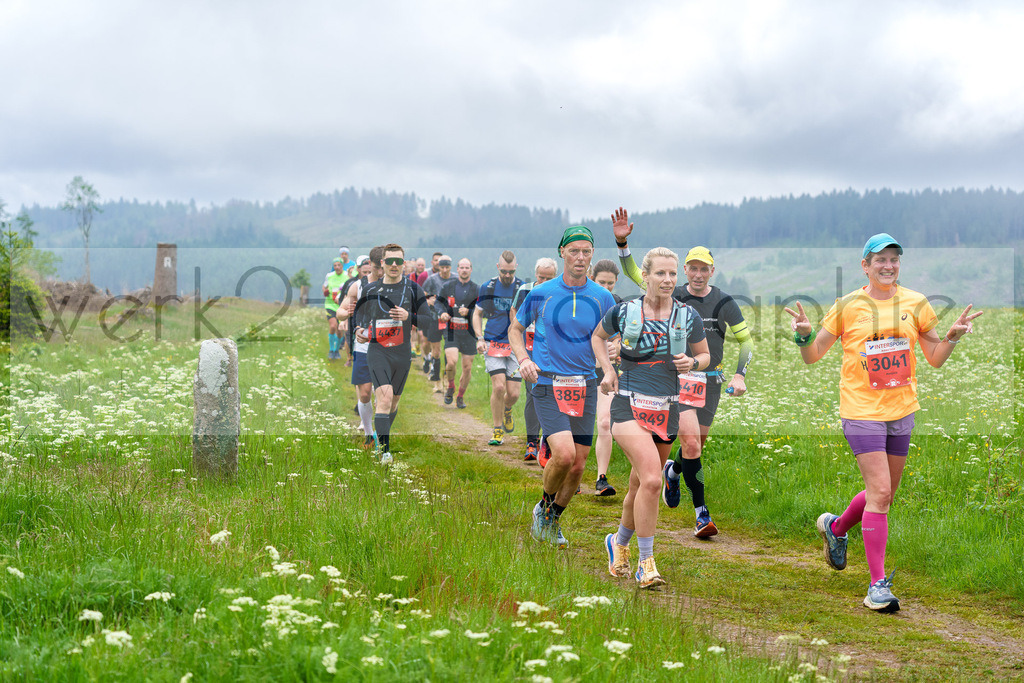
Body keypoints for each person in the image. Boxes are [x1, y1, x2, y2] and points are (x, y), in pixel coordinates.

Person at [785, 233, 982, 613]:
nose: (888, 266)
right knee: (879, 493)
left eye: (894, 259)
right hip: (861, 410)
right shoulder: (847, 306)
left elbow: (935, 357)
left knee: (884, 493)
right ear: (865, 265)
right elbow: (812, 356)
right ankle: (877, 585)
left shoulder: (916, 303)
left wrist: (952, 338)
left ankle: (836, 528)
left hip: (902, 409)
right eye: (880, 260)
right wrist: (803, 335)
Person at [613, 207, 754, 536]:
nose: (697, 273)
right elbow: (636, 272)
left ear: (712, 270)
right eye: (692, 267)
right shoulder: (670, 291)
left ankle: (673, 471)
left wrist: (740, 374)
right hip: (675, 382)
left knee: (694, 448)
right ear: (685, 269)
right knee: (690, 442)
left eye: (703, 268)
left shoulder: (724, 302)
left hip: (709, 380)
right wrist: (623, 243)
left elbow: (746, 341)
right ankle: (702, 513)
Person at [593, 247, 709, 588]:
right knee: (653, 481)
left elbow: (704, 354)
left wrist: (694, 363)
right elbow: (598, 338)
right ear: (645, 276)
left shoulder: (688, 316)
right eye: (660, 273)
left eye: (673, 274)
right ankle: (647, 563)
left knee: (638, 484)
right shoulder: (625, 311)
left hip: (667, 408)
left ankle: (619, 543)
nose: (668, 279)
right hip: (627, 405)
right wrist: (608, 370)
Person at [509, 226, 616, 548]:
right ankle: (543, 507)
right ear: (562, 253)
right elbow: (515, 329)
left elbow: (613, 335)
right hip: (547, 382)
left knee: (579, 464)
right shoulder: (542, 293)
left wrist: (614, 352)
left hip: (585, 384)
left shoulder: (603, 297)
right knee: (565, 455)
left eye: (586, 251)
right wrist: (524, 359)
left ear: (592, 255)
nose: (580, 257)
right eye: (574, 251)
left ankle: (553, 518)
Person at [354, 243, 433, 465]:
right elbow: (358, 321)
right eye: (390, 261)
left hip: (401, 353)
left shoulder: (413, 289)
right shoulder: (371, 290)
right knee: (384, 398)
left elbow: (428, 319)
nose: (394, 265)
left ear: (404, 263)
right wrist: (359, 332)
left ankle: (381, 437)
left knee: (394, 403)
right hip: (378, 351)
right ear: (382, 263)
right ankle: (384, 452)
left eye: (399, 261)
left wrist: (408, 316)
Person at [473, 251, 526, 445]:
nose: (507, 276)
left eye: (510, 272)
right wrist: (480, 338)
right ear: (498, 267)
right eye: (504, 271)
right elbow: (477, 314)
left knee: (513, 394)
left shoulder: (522, 288)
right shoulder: (488, 287)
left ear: (516, 268)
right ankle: (497, 430)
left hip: (515, 345)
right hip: (493, 342)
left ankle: (507, 408)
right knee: (499, 386)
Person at [510, 257, 558, 462]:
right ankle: (532, 441)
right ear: (535, 274)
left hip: (551, 351)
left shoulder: (559, 291)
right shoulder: (524, 291)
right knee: (532, 393)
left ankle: (548, 441)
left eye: (549, 278)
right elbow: (515, 313)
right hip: (529, 349)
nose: (544, 281)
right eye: (541, 277)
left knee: (553, 395)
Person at [337, 251, 380, 449]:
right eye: (378, 266)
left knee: (383, 394)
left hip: (387, 346)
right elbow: (340, 311)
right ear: (371, 264)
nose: (381, 270)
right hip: (362, 345)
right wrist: (346, 313)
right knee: (364, 394)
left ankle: (380, 436)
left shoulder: (396, 286)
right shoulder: (358, 285)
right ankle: (369, 433)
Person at [590, 259, 623, 495]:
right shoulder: (582, 300)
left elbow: (623, 338)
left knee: (604, 422)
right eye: (602, 282)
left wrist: (618, 347)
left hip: (606, 372)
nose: (606, 288)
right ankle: (570, 470)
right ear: (592, 279)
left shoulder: (620, 305)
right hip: (578, 370)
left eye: (610, 283)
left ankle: (601, 478)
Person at [436, 258, 479, 409]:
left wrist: (469, 312)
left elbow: (482, 310)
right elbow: (438, 303)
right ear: (458, 269)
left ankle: (460, 396)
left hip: (469, 332)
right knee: (451, 362)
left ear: (471, 270)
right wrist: (442, 313)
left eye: (467, 267)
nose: (464, 270)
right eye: (462, 267)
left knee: (467, 367)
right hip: (452, 330)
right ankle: (451, 386)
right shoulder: (448, 286)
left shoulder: (476, 289)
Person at [422, 255, 455, 389]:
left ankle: (447, 380)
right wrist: (429, 300)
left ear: (450, 267)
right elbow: (423, 295)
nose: (445, 270)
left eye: (447, 267)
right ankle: (437, 382)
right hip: (435, 318)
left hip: (449, 319)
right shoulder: (432, 279)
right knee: (436, 352)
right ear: (438, 267)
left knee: (448, 352)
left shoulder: (455, 278)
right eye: (442, 267)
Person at [322, 257, 349, 360]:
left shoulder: (346, 276)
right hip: (330, 305)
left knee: (339, 329)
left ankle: (337, 350)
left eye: (339, 265)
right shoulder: (329, 276)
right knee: (333, 326)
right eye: (335, 265)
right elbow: (324, 286)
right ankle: (331, 350)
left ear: (342, 266)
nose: (337, 267)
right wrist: (325, 291)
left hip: (342, 306)